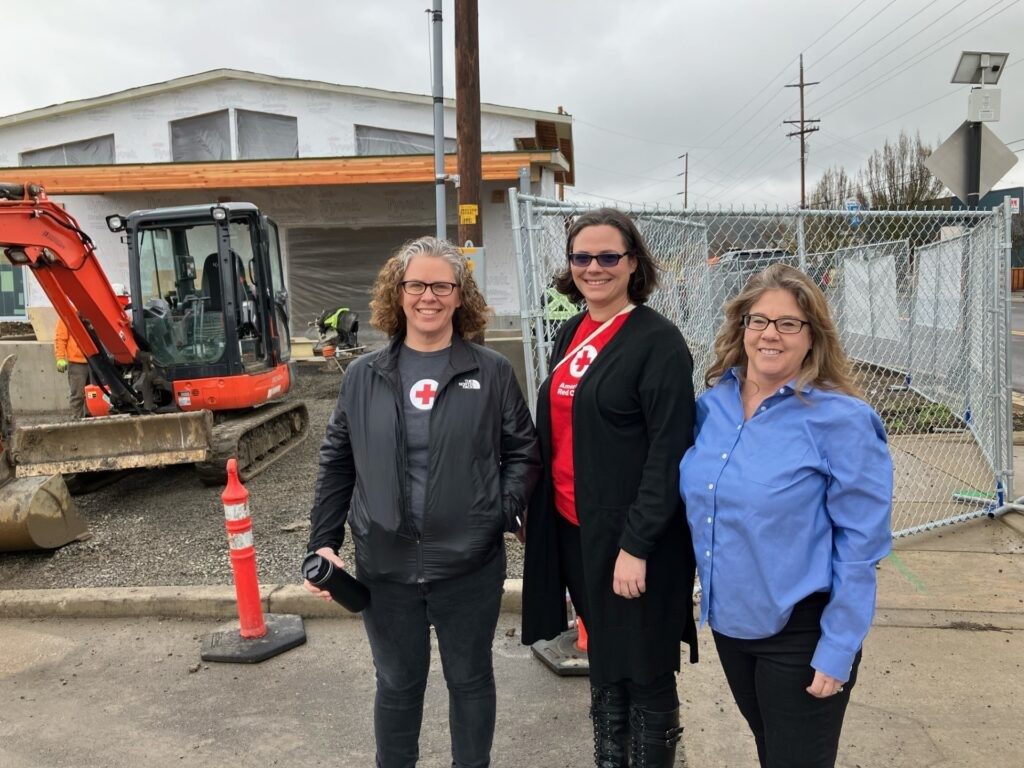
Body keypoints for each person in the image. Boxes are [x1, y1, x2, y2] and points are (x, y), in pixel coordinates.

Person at [305, 236, 539, 768]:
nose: (427, 296)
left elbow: (523, 450)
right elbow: (337, 460)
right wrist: (324, 539)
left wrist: (496, 514)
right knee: (396, 683)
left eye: (441, 285)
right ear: (399, 291)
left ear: (460, 296)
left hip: (469, 565)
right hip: (383, 567)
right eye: (416, 284)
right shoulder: (364, 376)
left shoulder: (492, 370)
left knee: (471, 679)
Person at [679, 263, 893, 768]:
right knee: (771, 752)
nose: (770, 334)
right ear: (741, 328)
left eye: (788, 323)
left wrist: (839, 646)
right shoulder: (714, 406)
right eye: (759, 320)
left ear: (812, 336)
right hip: (730, 626)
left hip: (801, 632)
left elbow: (861, 546)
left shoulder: (843, 419)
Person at [521, 207, 698, 768]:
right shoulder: (572, 332)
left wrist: (637, 545)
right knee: (605, 660)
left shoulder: (658, 342)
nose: (593, 267)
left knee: (644, 666)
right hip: (580, 531)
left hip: (634, 541)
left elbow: (669, 453)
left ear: (633, 263)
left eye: (608, 257)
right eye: (582, 257)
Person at [53, 316, 89, 418]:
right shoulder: (67, 314)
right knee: (78, 396)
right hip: (77, 362)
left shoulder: (91, 312)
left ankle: (92, 421)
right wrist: (60, 358)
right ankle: (76, 422)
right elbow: (60, 338)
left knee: (93, 396)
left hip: (95, 361)